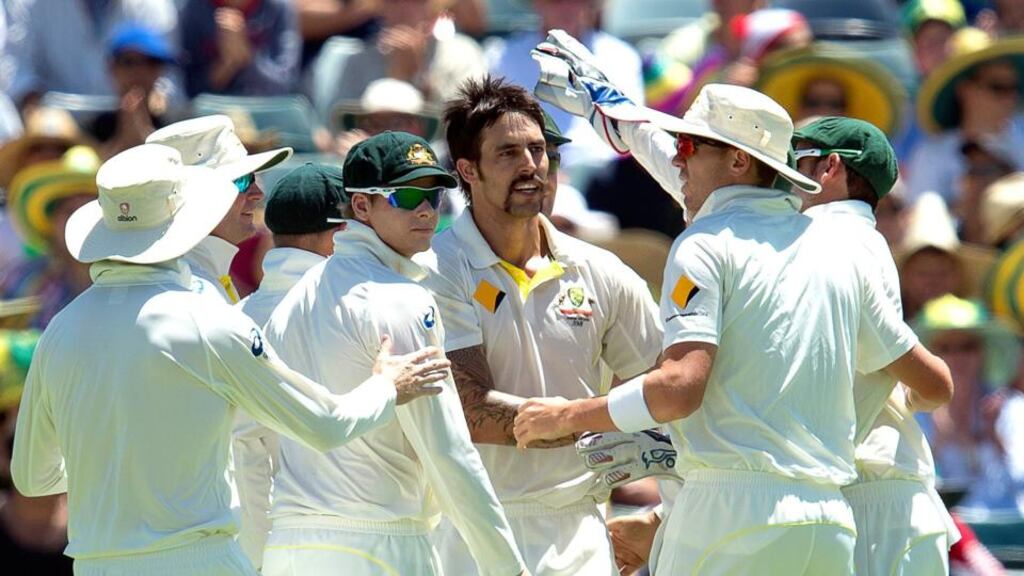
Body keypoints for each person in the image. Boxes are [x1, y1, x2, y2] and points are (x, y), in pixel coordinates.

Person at [521, 31, 953, 574]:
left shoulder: (752, 240)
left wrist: (573, 418)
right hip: (831, 516)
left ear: (830, 171)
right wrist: (615, 110)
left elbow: (681, 387)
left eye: (691, 145)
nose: (679, 156)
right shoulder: (824, 243)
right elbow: (933, 384)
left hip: (800, 508)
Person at [10, 143, 450, 575]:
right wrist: (387, 386)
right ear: (190, 217)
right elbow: (325, 424)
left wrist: (118, 472)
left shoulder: (60, 330)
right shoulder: (208, 319)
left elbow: (33, 478)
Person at [426, 76, 662, 576]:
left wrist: (662, 514)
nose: (532, 165)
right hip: (472, 531)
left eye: (539, 151)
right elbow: (468, 409)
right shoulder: (438, 268)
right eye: (508, 153)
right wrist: (587, 418)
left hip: (581, 530)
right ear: (467, 170)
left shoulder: (602, 271)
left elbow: (668, 392)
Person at [261, 131, 525, 576]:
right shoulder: (401, 300)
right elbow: (447, 449)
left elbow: (255, 440)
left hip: (288, 546)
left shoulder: (295, 297)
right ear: (361, 206)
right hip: (376, 547)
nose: (425, 209)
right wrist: (507, 566)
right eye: (405, 195)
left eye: (434, 195)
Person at [792, 117, 960, 575]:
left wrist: (905, 388)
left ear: (828, 168)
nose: (783, 172)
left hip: (877, 500)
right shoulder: (855, 239)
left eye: (795, 159)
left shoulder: (834, 239)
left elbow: (935, 383)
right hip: (865, 493)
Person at [232, 162, 347, 569]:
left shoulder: (235, 320)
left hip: (276, 550)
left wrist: (261, 561)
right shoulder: (361, 316)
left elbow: (244, 455)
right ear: (341, 235)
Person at [147, 114, 293, 304]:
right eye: (241, 181)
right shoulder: (189, 293)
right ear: (194, 193)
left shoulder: (200, 277)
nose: (258, 193)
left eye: (253, 177)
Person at [488, 0, 644, 171]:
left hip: (610, 175)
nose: (567, 8)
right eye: (557, 1)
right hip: (535, 173)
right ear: (537, 3)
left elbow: (633, 130)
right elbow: (498, 133)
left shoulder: (621, 56)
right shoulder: (505, 58)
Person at [91, 23, 180, 159]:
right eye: (129, 62)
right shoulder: (97, 126)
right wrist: (125, 136)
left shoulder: (175, 125)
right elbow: (92, 172)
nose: (140, 71)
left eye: (152, 62)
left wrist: (142, 132)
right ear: (111, 67)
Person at [180, 0, 301, 97]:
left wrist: (248, 59)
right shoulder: (194, 8)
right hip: (213, 115)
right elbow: (187, 89)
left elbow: (285, 86)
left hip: (268, 113)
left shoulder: (279, 7)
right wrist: (226, 66)